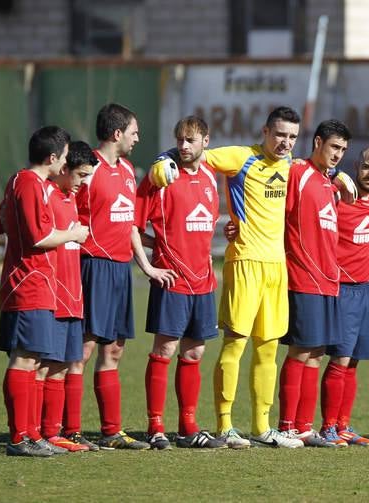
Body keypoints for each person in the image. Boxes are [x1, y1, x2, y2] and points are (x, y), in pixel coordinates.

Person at [150, 106, 304, 448]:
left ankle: (262, 428)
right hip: (245, 261)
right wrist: (162, 159)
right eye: (280, 134)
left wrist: (338, 175)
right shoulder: (240, 158)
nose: (285, 142)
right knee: (235, 344)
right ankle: (225, 426)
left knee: (269, 349)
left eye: (292, 137)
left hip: (277, 268)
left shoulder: (293, 165)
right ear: (265, 131)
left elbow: (319, 170)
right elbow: (191, 151)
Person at [133, 116, 229, 450]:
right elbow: (132, 224)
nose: (183, 146)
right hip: (171, 277)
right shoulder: (160, 177)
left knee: (195, 350)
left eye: (190, 139)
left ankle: (188, 427)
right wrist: (150, 263)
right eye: (179, 139)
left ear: (206, 140)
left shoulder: (209, 177)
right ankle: (155, 427)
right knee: (165, 348)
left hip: (203, 280)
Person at [0, 126, 89, 456]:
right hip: (28, 283)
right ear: (53, 158)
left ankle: (32, 435)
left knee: (33, 360)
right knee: (24, 359)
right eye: (64, 156)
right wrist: (72, 233)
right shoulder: (31, 184)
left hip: (38, 284)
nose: (65, 162)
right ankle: (19, 438)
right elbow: (38, 237)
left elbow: (1, 222)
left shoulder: (21, 182)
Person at [74, 103, 154, 450]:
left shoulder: (126, 170)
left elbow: (131, 225)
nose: (138, 138)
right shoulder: (86, 168)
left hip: (121, 269)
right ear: (117, 133)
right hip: (93, 265)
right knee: (84, 348)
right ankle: (69, 430)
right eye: (134, 132)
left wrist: (146, 266)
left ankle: (111, 432)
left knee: (115, 350)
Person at [276, 120, 354, 448]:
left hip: (328, 280)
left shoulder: (327, 183)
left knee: (317, 354)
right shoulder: (297, 174)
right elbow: (274, 211)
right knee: (300, 350)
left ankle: (305, 427)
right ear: (319, 142)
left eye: (343, 151)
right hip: (303, 277)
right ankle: (286, 426)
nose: (338, 155)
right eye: (334, 147)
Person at [320, 146, 369, 447]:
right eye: (366, 167)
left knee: (355, 361)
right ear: (356, 166)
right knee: (340, 359)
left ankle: (343, 425)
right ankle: (327, 428)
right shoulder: (336, 198)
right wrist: (334, 177)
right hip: (342, 289)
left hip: (367, 289)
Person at [37, 141, 97, 453]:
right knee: (44, 365)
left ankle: (53, 432)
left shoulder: (69, 197)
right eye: (80, 175)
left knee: (62, 364)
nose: (83, 182)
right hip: (54, 293)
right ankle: (33, 432)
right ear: (63, 168)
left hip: (74, 295)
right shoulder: (45, 194)